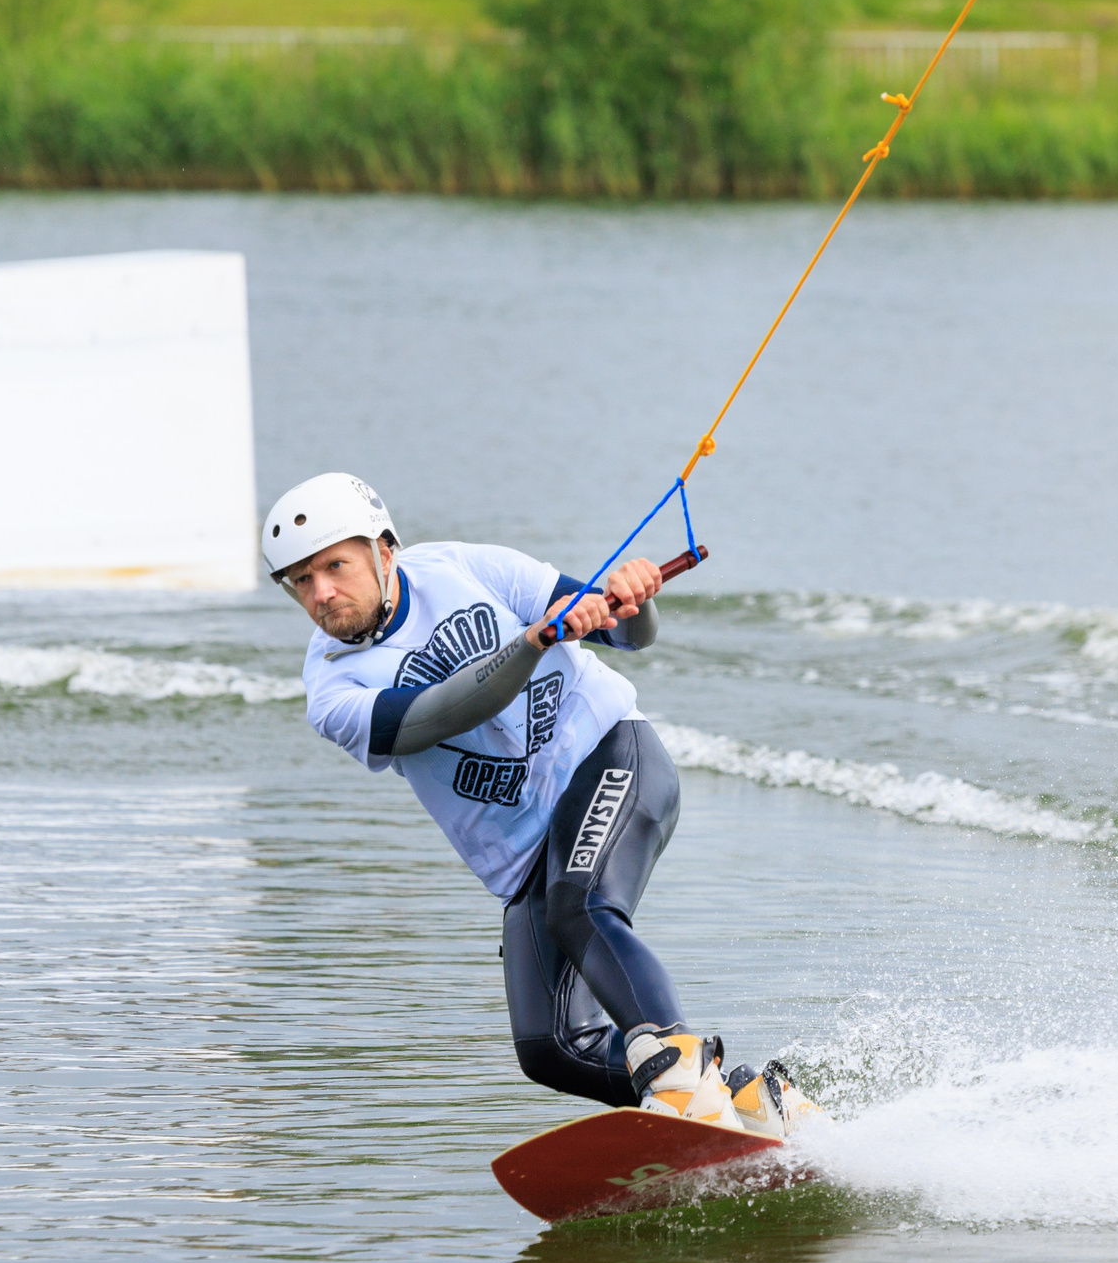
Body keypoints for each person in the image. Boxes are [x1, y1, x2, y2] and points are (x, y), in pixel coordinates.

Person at [267, 472, 820, 1138]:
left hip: (611, 755)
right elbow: (433, 716)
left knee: (580, 904)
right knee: (552, 1048)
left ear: (385, 550)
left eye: (335, 566)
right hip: (527, 853)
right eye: (302, 580)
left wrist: (632, 597)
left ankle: (677, 1077)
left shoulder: (467, 568)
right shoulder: (332, 689)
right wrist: (529, 643)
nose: (323, 592)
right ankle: (747, 1100)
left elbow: (629, 635)